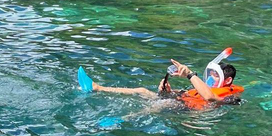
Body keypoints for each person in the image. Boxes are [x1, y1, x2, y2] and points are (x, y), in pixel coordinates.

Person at [85, 53, 244, 109]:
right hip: (182, 102)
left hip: (188, 112)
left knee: (162, 105)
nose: (210, 77)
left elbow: (210, 98)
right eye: (210, 73)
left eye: (215, 75)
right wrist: (169, 92)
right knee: (142, 90)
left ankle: (122, 119)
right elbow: (190, 94)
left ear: (228, 80)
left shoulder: (232, 97)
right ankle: (97, 87)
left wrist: (189, 74)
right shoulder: (202, 87)